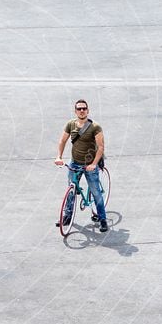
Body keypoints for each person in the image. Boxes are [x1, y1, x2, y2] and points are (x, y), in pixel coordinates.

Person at [54, 99, 108, 232]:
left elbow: (101, 147)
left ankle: (102, 219)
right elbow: (62, 141)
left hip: (90, 164)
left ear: (88, 111)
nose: (82, 110)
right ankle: (67, 216)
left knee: (96, 192)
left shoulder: (95, 127)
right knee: (71, 191)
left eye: (84, 108)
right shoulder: (70, 124)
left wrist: (94, 164)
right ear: (75, 111)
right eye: (79, 109)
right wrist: (59, 157)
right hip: (75, 163)